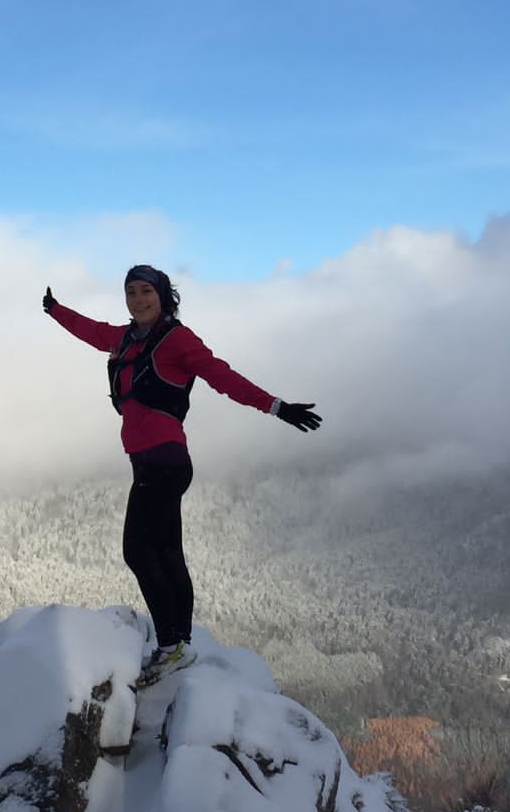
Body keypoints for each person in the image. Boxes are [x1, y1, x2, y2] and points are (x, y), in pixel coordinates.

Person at [44, 265, 321, 683]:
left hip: (164, 459)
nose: (138, 299)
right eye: (131, 292)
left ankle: (172, 646)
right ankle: (180, 643)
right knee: (166, 550)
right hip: (149, 460)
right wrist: (55, 309)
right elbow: (90, 330)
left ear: (163, 295)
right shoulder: (125, 338)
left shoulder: (178, 340)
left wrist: (277, 406)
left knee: (138, 551)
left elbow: (223, 377)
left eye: (146, 292)